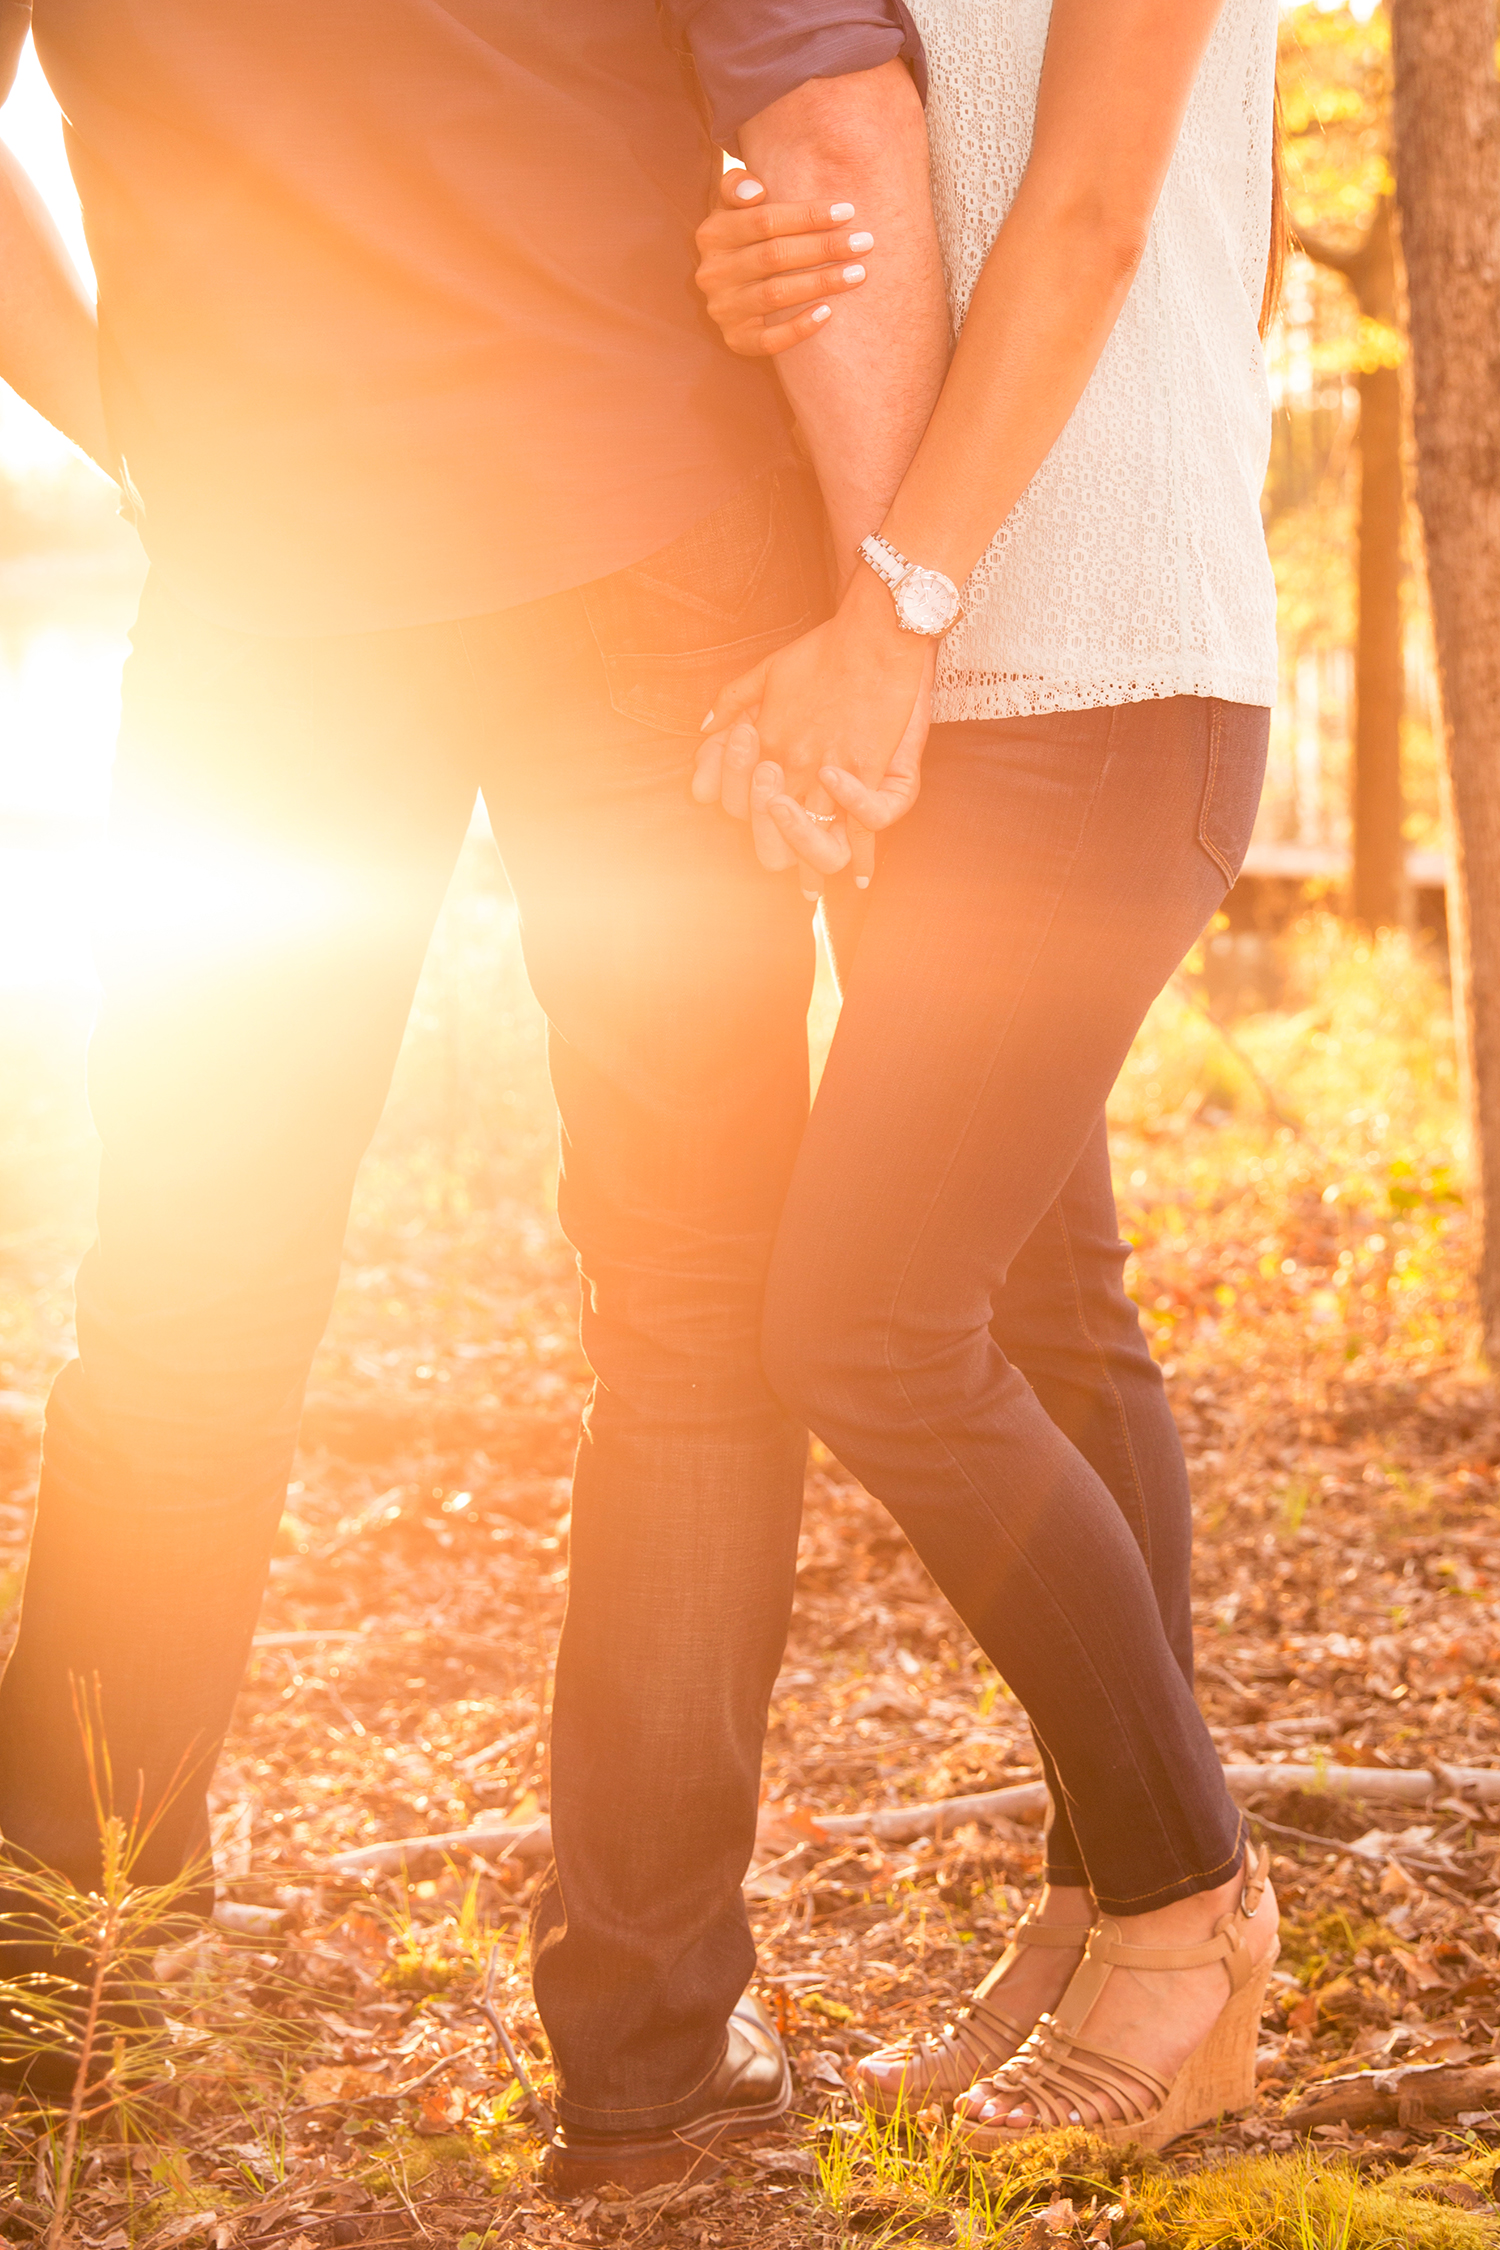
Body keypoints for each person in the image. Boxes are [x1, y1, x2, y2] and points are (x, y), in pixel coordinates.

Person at [0, 0, 950, 2194]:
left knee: (183, 1305)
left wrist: (142, 418)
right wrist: (898, 605)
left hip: (269, 581)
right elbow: (821, 105)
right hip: (650, 545)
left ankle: (68, 1999)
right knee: (698, 1313)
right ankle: (648, 2067)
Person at [691, 0, 1284, 2150]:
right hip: (954, 695)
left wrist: (894, 612)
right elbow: (905, 200)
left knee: (865, 1318)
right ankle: (1094, 1902)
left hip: (1106, 672)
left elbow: (1110, 210)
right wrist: (753, 263)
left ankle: (1188, 1903)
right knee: (1048, 1306)